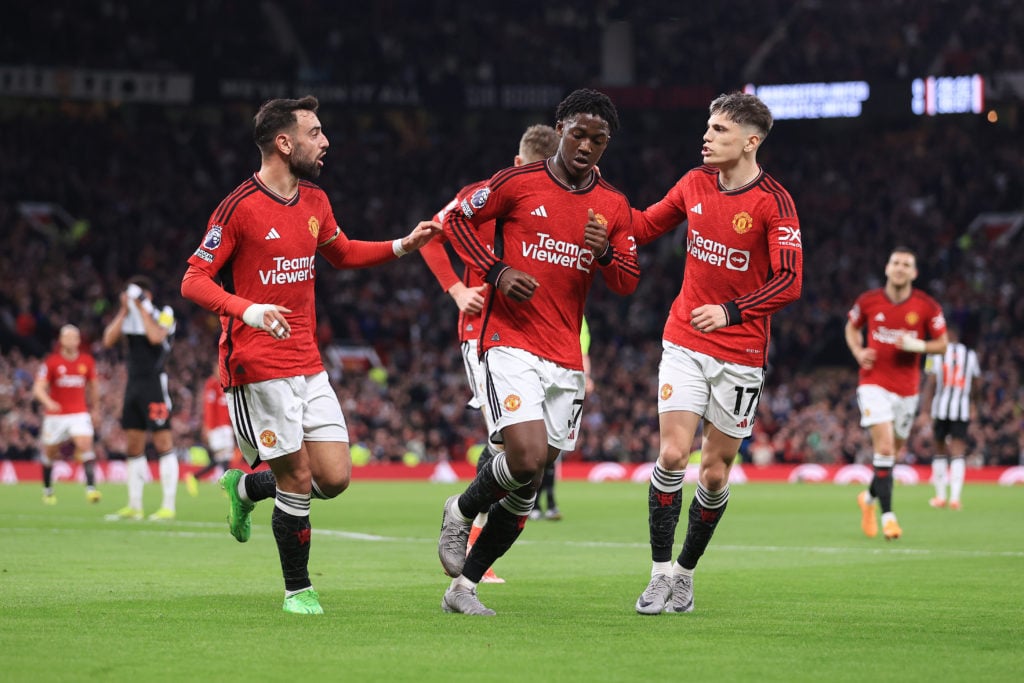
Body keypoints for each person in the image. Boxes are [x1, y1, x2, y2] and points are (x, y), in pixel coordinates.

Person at [180, 95, 440, 615]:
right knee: (297, 479)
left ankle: (247, 488)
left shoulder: (316, 201)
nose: (326, 142)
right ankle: (298, 590)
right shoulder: (237, 208)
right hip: (256, 364)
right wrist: (247, 311)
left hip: (307, 360)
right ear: (284, 142)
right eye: (315, 133)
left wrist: (401, 246)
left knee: (335, 478)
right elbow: (193, 280)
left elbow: (340, 252)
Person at [436, 88, 640, 616]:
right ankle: (459, 509)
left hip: (565, 355)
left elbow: (627, 280)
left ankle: (464, 589)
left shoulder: (613, 205)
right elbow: (455, 219)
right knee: (524, 457)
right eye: (578, 133)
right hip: (509, 341)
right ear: (562, 128)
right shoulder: (518, 183)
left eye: (598, 139)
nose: (586, 145)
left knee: (527, 487)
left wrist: (606, 251)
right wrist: (497, 272)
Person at [630, 92, 803, 615]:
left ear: (751, 142)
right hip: (683, 338)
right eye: (708, 127)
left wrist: (731, 311)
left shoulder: (774, 202)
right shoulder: (693, 183)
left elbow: (790, 281)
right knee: (671, 456)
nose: (707, 136)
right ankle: (659, 575)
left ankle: (685, 572)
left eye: (721, 130)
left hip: (741, 352)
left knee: (713, 472)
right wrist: (601, 218)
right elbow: (642, 226)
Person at [420, 123, 560, 583]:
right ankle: (470, 533)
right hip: (484, 332)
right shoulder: (485, 195)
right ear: (517, 165)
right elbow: (431, 235)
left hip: (538, 339)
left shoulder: (560, 204)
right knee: (507, 441)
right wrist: (457, 289)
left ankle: (470, 530)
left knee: (527, 449)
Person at [846, 246, 948, 540]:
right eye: (896, 262)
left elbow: (942, 343)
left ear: (914, 273)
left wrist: (919, 346)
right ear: (887, 268)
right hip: (872, 383)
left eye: (906, 264)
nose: (900, 268)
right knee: (886, 450)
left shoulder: (926, 306)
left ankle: (867, 500)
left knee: (892, 455)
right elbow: (851, 328)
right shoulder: (868, 301)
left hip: (907, 390)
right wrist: (857, 350)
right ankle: (889, 517)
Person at [102, 275, 180, 521]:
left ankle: (168, 505)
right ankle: (134, 506)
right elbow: (107, 340)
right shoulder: (128, 318)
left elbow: (156, 337)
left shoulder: (164, 313)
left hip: (155, 384)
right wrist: (125, 310)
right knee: (133, 446)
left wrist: (141, 308)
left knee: (163, 443)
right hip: (133, 386)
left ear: (148, 296)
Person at [530, 315, 592, 522]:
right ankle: (535, 503)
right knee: (539, 446)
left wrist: (586, 376)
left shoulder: (577, 316)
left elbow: (582, 350)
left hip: (564, 382)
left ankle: (547, 503)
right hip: (541, 380)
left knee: (552, 447)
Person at [32, 324, 102, 504]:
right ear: (61, 341)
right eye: (67, 337)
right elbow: (38, 388)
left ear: (79, 341)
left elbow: (94, 387)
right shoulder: (52, 362)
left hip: (79, 412)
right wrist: (49, 402)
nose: (71, 340)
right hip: (56, 416)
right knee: (50, 453)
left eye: (74, 337)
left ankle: (91, 489)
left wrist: (95, 409)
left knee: (84, 444)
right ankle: (48, 490)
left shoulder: (87, 361)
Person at [921, 327, 979, 510]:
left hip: (940, 409)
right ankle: (955, 498)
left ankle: (940, 497)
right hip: (960, 409)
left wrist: (925, 410)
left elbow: (930, 382)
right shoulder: (970, 355)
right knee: (957, 451)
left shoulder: (934, 354)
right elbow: (976, 382)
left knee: (939, 450)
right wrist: (973, 404)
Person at [185, 368, 237, 496]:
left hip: (226, 426)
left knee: (223, 457)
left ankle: (195, 477)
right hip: (217, 427)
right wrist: (207, 427)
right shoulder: (212, 384)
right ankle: (225, 487)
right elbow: (208, 407)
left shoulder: (226, 383)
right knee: (223, 457)